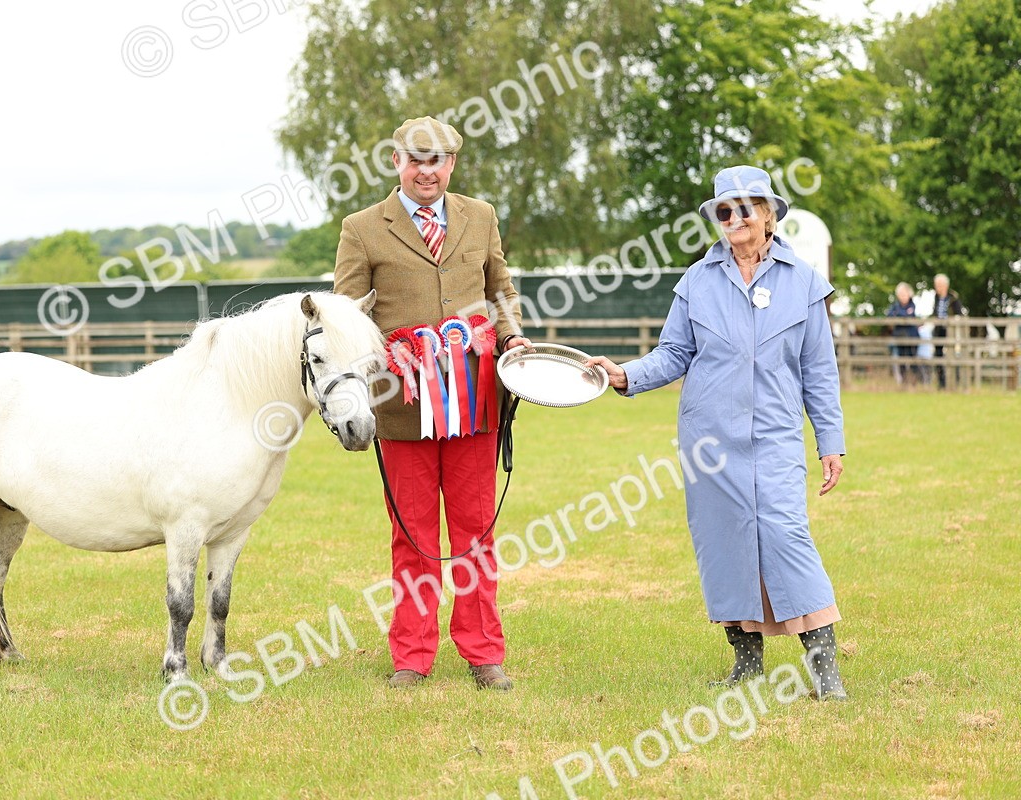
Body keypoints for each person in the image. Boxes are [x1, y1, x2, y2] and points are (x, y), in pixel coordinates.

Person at [585, 165, 848, 701]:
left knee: (784, 537)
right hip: (709, 441)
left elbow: (819, 369)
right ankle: (746, 665)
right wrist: (626, 375)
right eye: (723, 211)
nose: (734, 220)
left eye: (744, 208)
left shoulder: (802, 282)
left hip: (775, 438)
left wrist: (831, 441)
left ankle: (826, 672)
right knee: (724, 547)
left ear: (768, 214)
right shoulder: (697, 282)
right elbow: (675, 354)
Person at [333, 116, 531, 691]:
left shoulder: (481, 216)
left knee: (476, 532)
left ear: (452, 165)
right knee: (412, 536)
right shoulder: (362, 228)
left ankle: (483, 652)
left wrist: (512, 334)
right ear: (397, 161)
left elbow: (501, 292)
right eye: (416, 160)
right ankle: (411, 657)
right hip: (401, 407)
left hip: (476, 404)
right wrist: (381, 362)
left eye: (437, 160)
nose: (427, 170)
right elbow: (347, 316)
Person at [932, 273, 966, 389]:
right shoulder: (935, 298)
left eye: (940, 285)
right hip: (938, 329)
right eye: (937, 285)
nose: (938, 288)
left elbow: (959, 314)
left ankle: (954, 381)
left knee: (953, 355)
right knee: (938, 354)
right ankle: (941, 382)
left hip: (951, 330)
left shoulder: (953, 298)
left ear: (946, 285)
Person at [887, 282, 921, 386]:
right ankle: (904, 382)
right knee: (901, 360)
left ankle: (915, 381)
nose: (902, 297)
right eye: (900, 294)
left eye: (904, 294)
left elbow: (907, 315)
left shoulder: (912, 305)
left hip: (912, 337)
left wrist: (898, 315)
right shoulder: (895, 306)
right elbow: (889, 316)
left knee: (913, 360)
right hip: (899, 337)